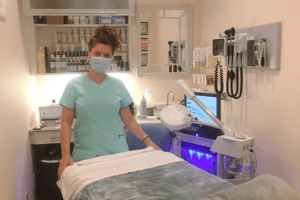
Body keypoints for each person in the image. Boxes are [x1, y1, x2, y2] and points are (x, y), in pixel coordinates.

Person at [57, 25, 162, 180]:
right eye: (97, 53)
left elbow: (129, 119)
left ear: (111, 58)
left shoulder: (118, 85)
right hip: (87, 157)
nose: (101, 58)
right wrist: (65, 155)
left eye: (106, 55)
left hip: (118, 156)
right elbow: (66, 122)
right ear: (89, 54)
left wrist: (149, 142)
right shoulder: (73, 86)